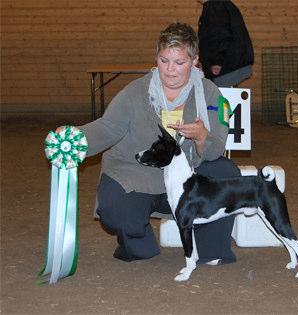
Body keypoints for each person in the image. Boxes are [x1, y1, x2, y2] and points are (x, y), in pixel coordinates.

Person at [78, 22, 241, 264]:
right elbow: (108, 127)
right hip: (139, 174)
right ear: (156, 58)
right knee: (113, 207)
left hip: (188, 178)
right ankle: (139, 245)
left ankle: (211, 250)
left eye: (179, 63)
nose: (170, 70)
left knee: (225, 171)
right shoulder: (134, 92)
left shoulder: (211, 94)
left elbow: (217, 148)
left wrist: (201, 136)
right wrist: (74, 138)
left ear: (195, 61)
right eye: (164, 61)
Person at [198, 0, 254, 87]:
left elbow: (219, 35)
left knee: (220, 98)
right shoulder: (221, 4)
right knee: (223, 98)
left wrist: (217, 62)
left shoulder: (215, 6)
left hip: (224, 67)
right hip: (232, 64)